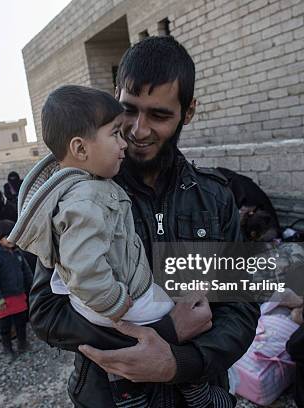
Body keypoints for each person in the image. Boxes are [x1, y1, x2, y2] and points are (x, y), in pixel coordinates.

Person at [25, 36, 259, 406]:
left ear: (189, 111)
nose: (138, 130)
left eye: (159, 115)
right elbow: (48, 313)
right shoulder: (81, 197)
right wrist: (162, 332)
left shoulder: (215, 197)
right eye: (128, 110)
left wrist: (180, 362)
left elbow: (242, 305)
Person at [0, 220, 33, 361]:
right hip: (3, 299)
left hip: (18, 296)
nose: (11, 239)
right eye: (7, 236)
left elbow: (27, 272)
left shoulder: (17, 253)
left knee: (21, 322)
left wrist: (31, 288)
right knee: (5, 326)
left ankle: (22, 344)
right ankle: (7, 349)